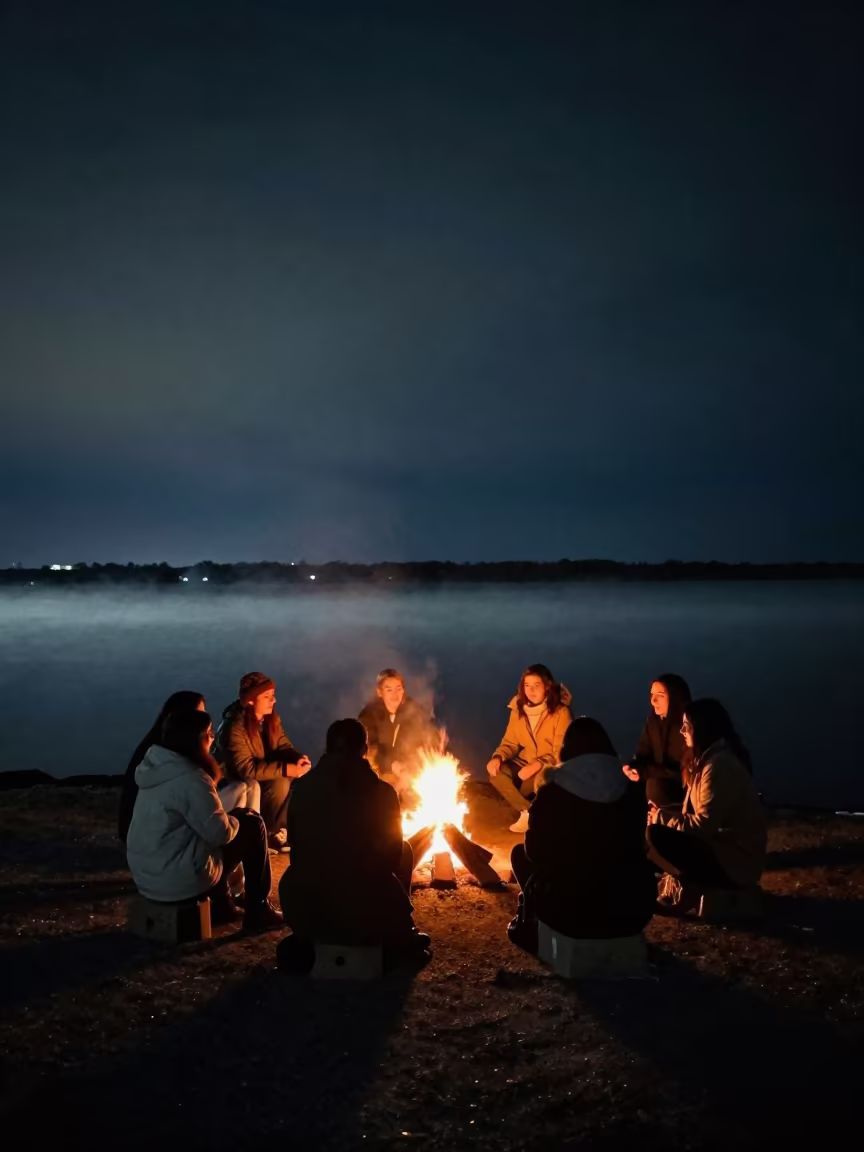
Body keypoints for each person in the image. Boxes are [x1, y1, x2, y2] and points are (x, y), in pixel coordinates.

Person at [278, 718, 429, 971]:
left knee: (297, 875)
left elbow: (297, 848)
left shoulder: (302, 788)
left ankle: (309, 941)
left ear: (327, 749)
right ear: (364, 750)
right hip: (365, 911)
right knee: (403, 852)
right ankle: (401, 933)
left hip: (310, 908)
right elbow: (391, 855)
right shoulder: (383, 792)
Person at [126, 708, 283, 931]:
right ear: (195, 739)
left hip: (147, 876)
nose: (212, 738)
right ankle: (259, 909)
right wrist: (236, 819)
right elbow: (221, 833)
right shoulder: (191, 777)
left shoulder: (156, 769)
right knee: (252, 824)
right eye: (209, 733)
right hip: (178, 881)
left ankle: (222, 903)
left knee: (221, 832)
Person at [508, 717, 656, 952]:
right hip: (632, 909)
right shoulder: (630, 789)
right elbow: (641, 844)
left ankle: (534, 921)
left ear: (567, 750)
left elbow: (535, 851)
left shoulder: (553, 790)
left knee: (519, 854)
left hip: (571, 913)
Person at [646, 697, 767, 912]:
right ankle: (687, 884)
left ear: (701, 728)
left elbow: (703, 825)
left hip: (735, 862)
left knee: (655, 835)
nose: (682, 731)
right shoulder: (705, 762)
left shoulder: (719, 765)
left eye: (687, 726)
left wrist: (662, 819)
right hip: (722, 851)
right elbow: (694, 813)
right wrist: (661, 813)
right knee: (646, 831)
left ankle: (690, 888)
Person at [214, 672, 311, 853]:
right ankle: (266, 833)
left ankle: (280, 832)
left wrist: (298, 759)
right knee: (280, 781)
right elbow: (246, 769)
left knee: (298, 779)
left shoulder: (269, 720)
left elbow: (282, 744)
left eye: (273, 695)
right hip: (236, 783)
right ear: (251, 701)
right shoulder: (234, 728)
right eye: (267, 697)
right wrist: (287, 769)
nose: (273, 701)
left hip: (260, 777)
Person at [486, 664, 573, 834]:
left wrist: (538, 764)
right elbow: (510, 742)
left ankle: (543, 815)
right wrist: (498, 756)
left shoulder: (561, 713)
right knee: (497, 773)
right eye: (527, 686)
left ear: (547, 687)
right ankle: (528, 812)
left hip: (549, 766)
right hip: (525, 761)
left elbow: (562, 751)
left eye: (536, 686)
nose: (531, 691)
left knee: (533, 783)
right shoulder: (518, 710)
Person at [118, 691, 207, 842]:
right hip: (149, 834)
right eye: (198, 715)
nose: (204, 722)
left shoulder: (163, 747)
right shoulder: (162, 754)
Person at [357, 669, 437, 798]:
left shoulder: (413, 711)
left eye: (398, 688)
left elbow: (424, 739)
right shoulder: (368, 716)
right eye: (389, 690)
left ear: (403, 691)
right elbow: (370, 748)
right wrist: (392, 765)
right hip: (377, 773)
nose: (395, 694)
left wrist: (411, 765)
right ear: (379, 692)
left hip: (406, 774)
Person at [622, 673, 692, 814]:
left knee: (656, 784)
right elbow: (643, 752)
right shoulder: (653, 722)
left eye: (660, 695)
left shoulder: (688, 728)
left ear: (674, 697)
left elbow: (681, 771)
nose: (653, 701)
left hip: (682, 798)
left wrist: (645, 771)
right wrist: (634, 767)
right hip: (654, 798)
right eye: (651, 695)